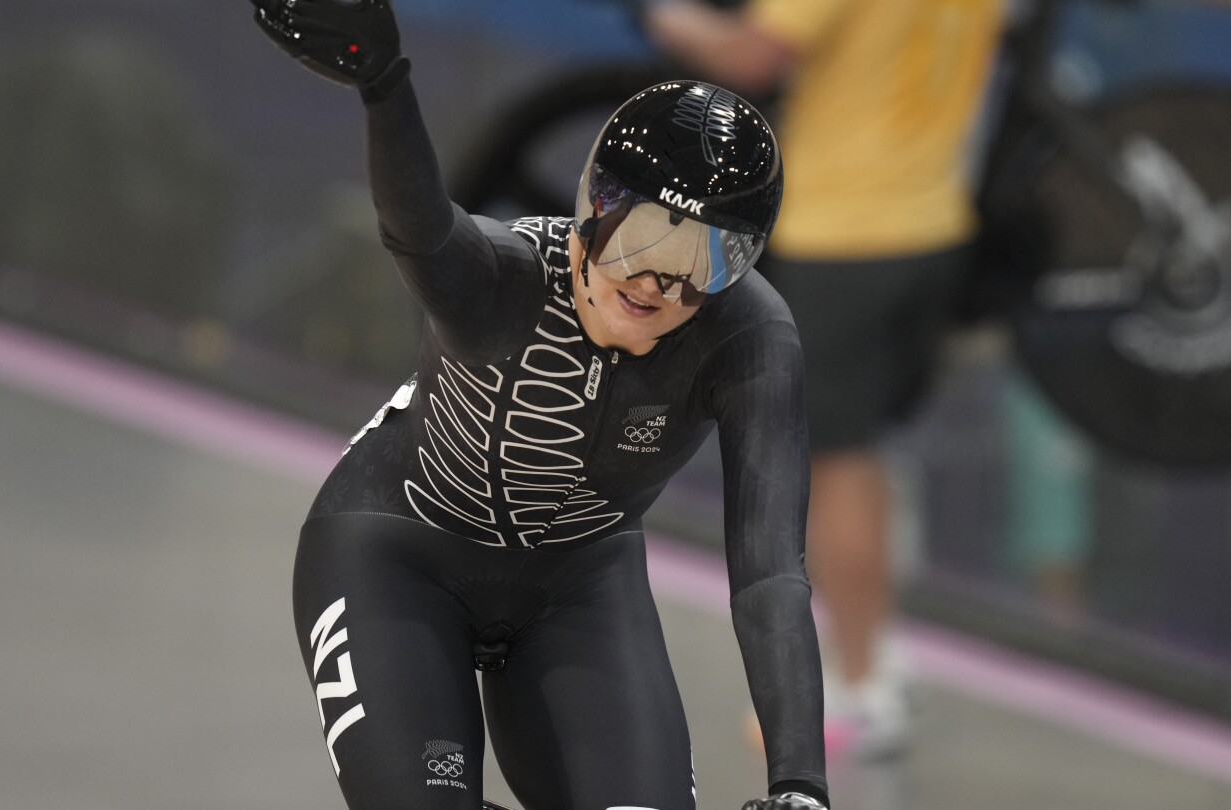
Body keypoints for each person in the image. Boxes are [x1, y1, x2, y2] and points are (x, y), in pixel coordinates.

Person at [246, 1, 828, 808]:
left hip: (579, 588)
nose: (659, 282)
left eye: (707, 259)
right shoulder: (500, 279)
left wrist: (800, 785)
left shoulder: (752, 337)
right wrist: (385, 86)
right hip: (399, 556)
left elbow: (769, 570)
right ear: (594, 208)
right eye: (641, 238)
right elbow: (416, 227)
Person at [640, 0, 1006, 758]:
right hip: (932, 225)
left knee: (832, 465)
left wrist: (665, 16)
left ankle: (866, 684)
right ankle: (875, 650)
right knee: (863, 451)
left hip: (844, 238)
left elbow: (751, 56)